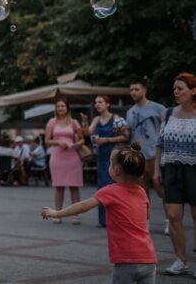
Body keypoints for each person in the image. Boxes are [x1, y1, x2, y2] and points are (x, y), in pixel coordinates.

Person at [43, 143, 157, 283]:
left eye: (110, 163)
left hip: (126, 259)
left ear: (116, 170)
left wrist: (57, 213)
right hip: (149, 259)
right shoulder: (141, 192)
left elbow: (83, 206)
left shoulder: (110, 191)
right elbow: (147, 216)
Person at [153, 72, 196, 276]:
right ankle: (181, 260)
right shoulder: (168, 113)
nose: (176, 92)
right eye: (174, 89)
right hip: (171, 168)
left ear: (193, 90)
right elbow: (159, 143)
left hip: (194, 169)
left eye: (180, 88)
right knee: (173, 215)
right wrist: (156, 169)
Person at [81, 95, 130, 228]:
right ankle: (104, 220)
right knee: (102, 186)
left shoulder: (116, 118)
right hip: (101, 157)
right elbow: (87, 133)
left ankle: (117, 218)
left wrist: (107, 140)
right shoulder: (96, 119)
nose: (97, 105)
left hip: (113, 155)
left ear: (108, 104)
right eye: (96, 102)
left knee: (115, 185)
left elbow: (126, 136)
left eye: (100, 102)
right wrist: (85, 122)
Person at [126, 78, 168, 232]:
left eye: (136, 89)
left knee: (162, 189)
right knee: (142, 192)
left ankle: (169, 220)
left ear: (144, 90)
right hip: (138, 156)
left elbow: (167, 129)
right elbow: (128, 133)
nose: (133, 92)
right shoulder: (130, 112)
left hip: (156, 155)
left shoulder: (158, 108)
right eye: (131, 90)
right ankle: (145, 221)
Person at [44, 97, 86, 224]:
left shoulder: (74, 122)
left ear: (67, 108)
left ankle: (76, 214)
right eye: (58, 106)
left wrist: (76, 144)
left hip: (72, 155)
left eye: (62, 106)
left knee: (74, 187)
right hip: (57, 156)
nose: (60, 108)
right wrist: (58, 142)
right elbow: (46, 141)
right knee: (59, 187)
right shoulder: (52, 122)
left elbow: (83, 139)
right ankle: (57, 213)